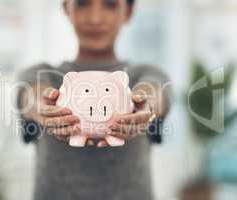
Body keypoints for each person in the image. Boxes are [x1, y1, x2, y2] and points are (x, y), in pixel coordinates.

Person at [16, 0, 172, 199]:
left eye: (110, 4)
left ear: (129, 11)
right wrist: (43, 107)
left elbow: (155, 92)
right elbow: (32, 94)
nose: (95, 18)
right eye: (82, 3)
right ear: (66, 8)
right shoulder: (43, 75)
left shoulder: (144, 74)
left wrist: (145, 105)